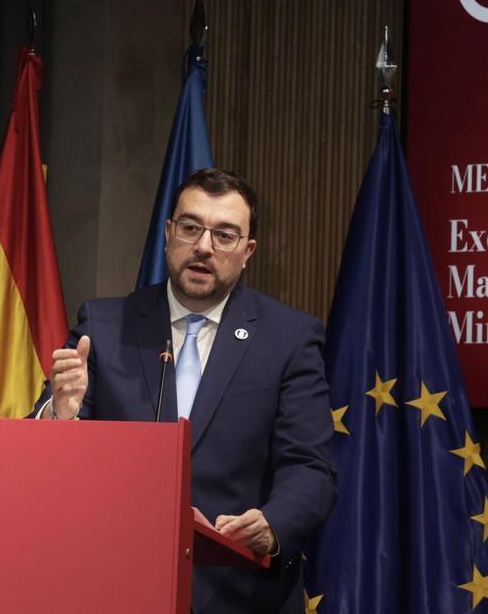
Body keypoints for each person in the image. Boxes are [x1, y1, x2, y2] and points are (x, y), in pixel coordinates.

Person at [35, 168, 336, 613]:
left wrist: (273, 526)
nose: (204, 247)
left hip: (240, 593)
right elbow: (40, 454)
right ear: (168, 233)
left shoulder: (289, 338)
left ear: (248, 250)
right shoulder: (103, 326)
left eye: (225, 235)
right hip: (114, 587)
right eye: (191, 228)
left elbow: (311, 468)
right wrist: (60, 415)